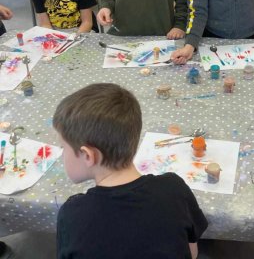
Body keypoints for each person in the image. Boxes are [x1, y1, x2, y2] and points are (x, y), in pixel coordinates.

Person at [53, 83, 208, 259]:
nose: (62, 154)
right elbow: (192, 253)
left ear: (88, 155)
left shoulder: (72, 215)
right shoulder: (174, 189)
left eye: (63, 148)